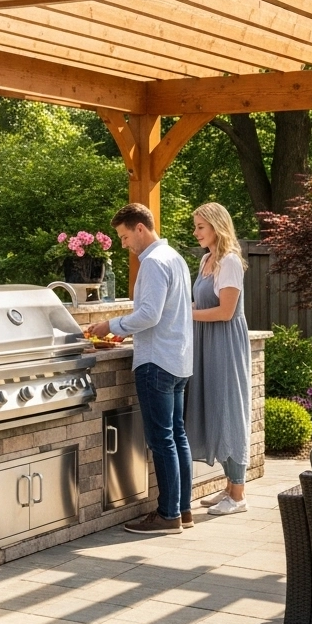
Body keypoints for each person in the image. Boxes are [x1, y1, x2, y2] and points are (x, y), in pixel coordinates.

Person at [88, 203, 193, 534]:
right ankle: (183, 510)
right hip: (178, 359)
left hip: (157, 362)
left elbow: (149, 314)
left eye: (124, 237)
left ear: (140, 229)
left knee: (162, 440)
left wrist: (111, 325)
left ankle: (168, 515)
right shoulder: (175, 258)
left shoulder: (152, 263)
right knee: (176, 436)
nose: (124, 245)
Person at [186, 202, 251, 516]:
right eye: (196, 226)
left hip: (224, 343)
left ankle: (238, 495)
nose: (195, 232)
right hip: (204, 341)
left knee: (228, 410)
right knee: (213, 407)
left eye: (200, 226)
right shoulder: (206, 260)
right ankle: (228, 487)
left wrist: (187, 315)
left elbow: (226, 312)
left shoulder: (230, 262)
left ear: (216, 227)